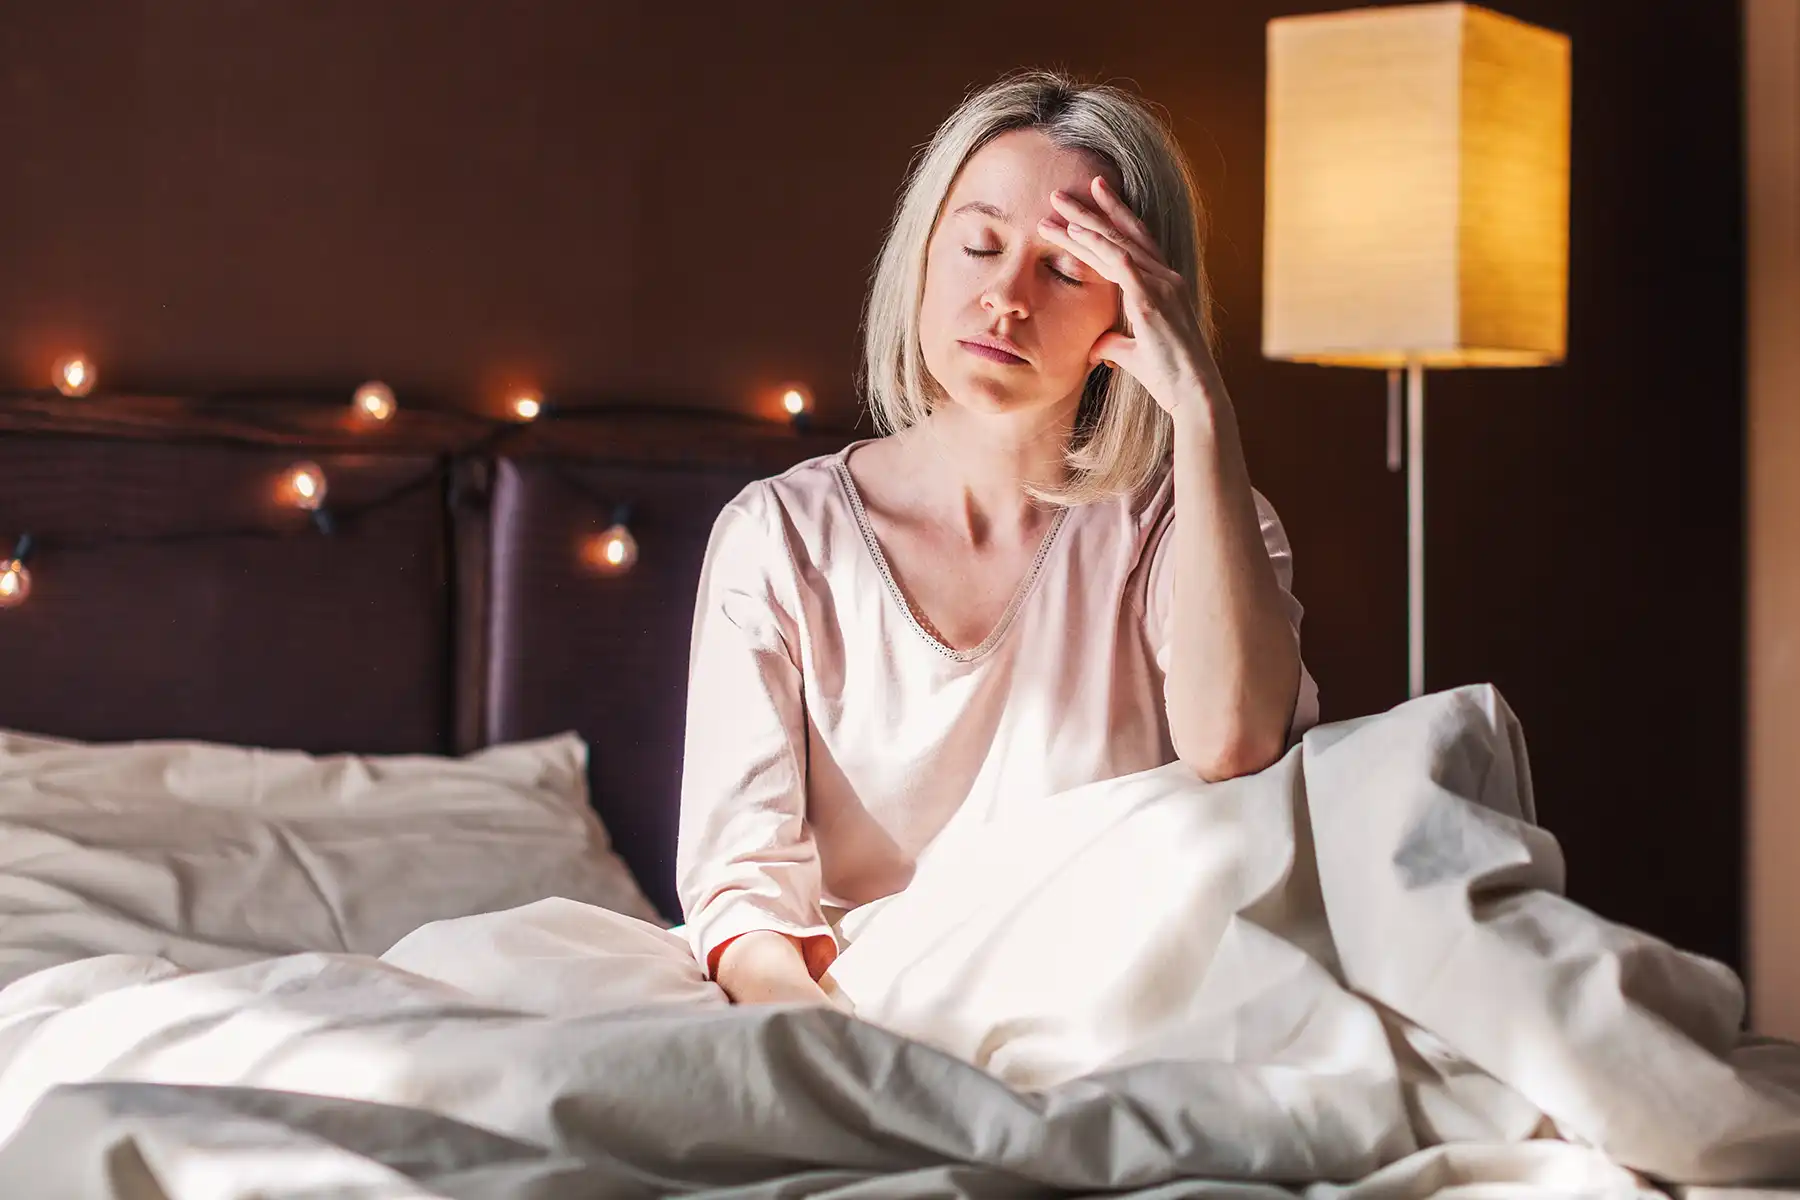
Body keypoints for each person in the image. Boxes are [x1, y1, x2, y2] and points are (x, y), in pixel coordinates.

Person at [676, 69, 1319, 1009]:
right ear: (924, 255)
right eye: (979, 246)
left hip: (1118, 996)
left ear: (1136, 307)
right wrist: (828, 1058)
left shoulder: (1189, 525)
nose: (1006, 297)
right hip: (854, 1010)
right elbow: (746, 903)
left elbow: (1234, 745)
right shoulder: (777, 540)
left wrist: (1200, 410)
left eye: (1064, 269)